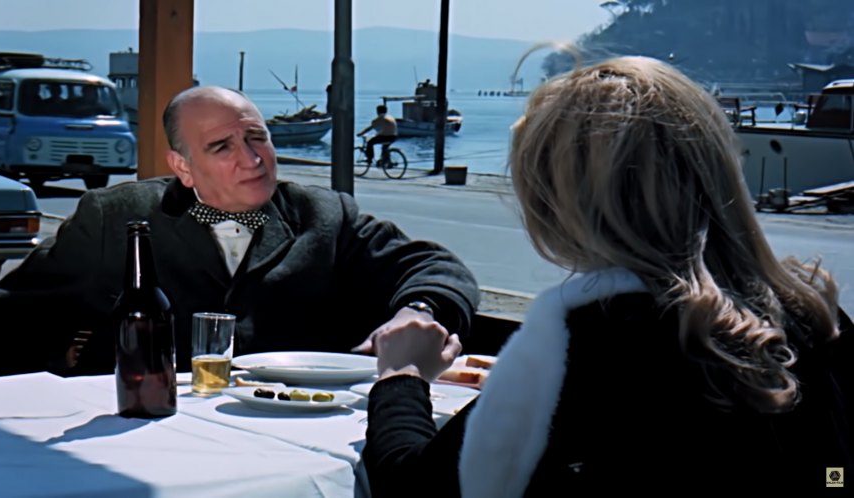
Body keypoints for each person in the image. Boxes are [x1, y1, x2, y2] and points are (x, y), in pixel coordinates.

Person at [361, 56, 853, 496]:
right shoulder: (812, 313)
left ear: (557, 205)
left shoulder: (579, 344)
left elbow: (413, 487)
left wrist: (401, 378)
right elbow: (836, 472)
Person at [0, 85, 479, 377]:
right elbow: (3, 319)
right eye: (222, 147)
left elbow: (436, 266)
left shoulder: (325, 215)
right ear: (182, 166)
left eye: (257, 137)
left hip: (292, 431)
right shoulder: (114, 218)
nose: (252, 159)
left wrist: (419, 310)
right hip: (140, 432)